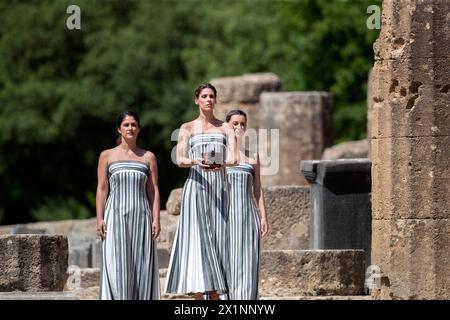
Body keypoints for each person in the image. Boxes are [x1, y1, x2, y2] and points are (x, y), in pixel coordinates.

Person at [164, 83, 237, 300]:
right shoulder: (186, 128)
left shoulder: (226, 128)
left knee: (218, 240)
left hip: (219, 188)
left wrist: (219, 163)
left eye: (211, 96)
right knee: (197, 241)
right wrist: (197, 160)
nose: (208, 99)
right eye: (204, 96)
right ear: (196, 100)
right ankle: (198, 298)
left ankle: (215, 296)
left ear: (215, 100)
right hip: (196, 187)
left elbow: (234, 158)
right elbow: (179, 158)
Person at [96, 110, 161, 300]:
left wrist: (156, 218)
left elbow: (153, 190)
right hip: (115, 216)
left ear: (139, 129)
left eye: (134, 124)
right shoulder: (106, 156)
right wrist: (99, 218)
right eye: (126, 125)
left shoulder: (148, 157)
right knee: (116, 265)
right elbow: (101, 189)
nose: (130, 128)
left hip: (141, 216)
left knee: (141, 266)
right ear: (119, 129)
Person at [225, 109, 269, 300]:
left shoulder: (253, 157)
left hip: (248, 215)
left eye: (243, 124)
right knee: (228, 260)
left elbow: (257, 189)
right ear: (227, 126)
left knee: (249, 260)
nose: (239, 127)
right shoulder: (220, 156)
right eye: (235, 123)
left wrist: (263, 216)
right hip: (225, 215)